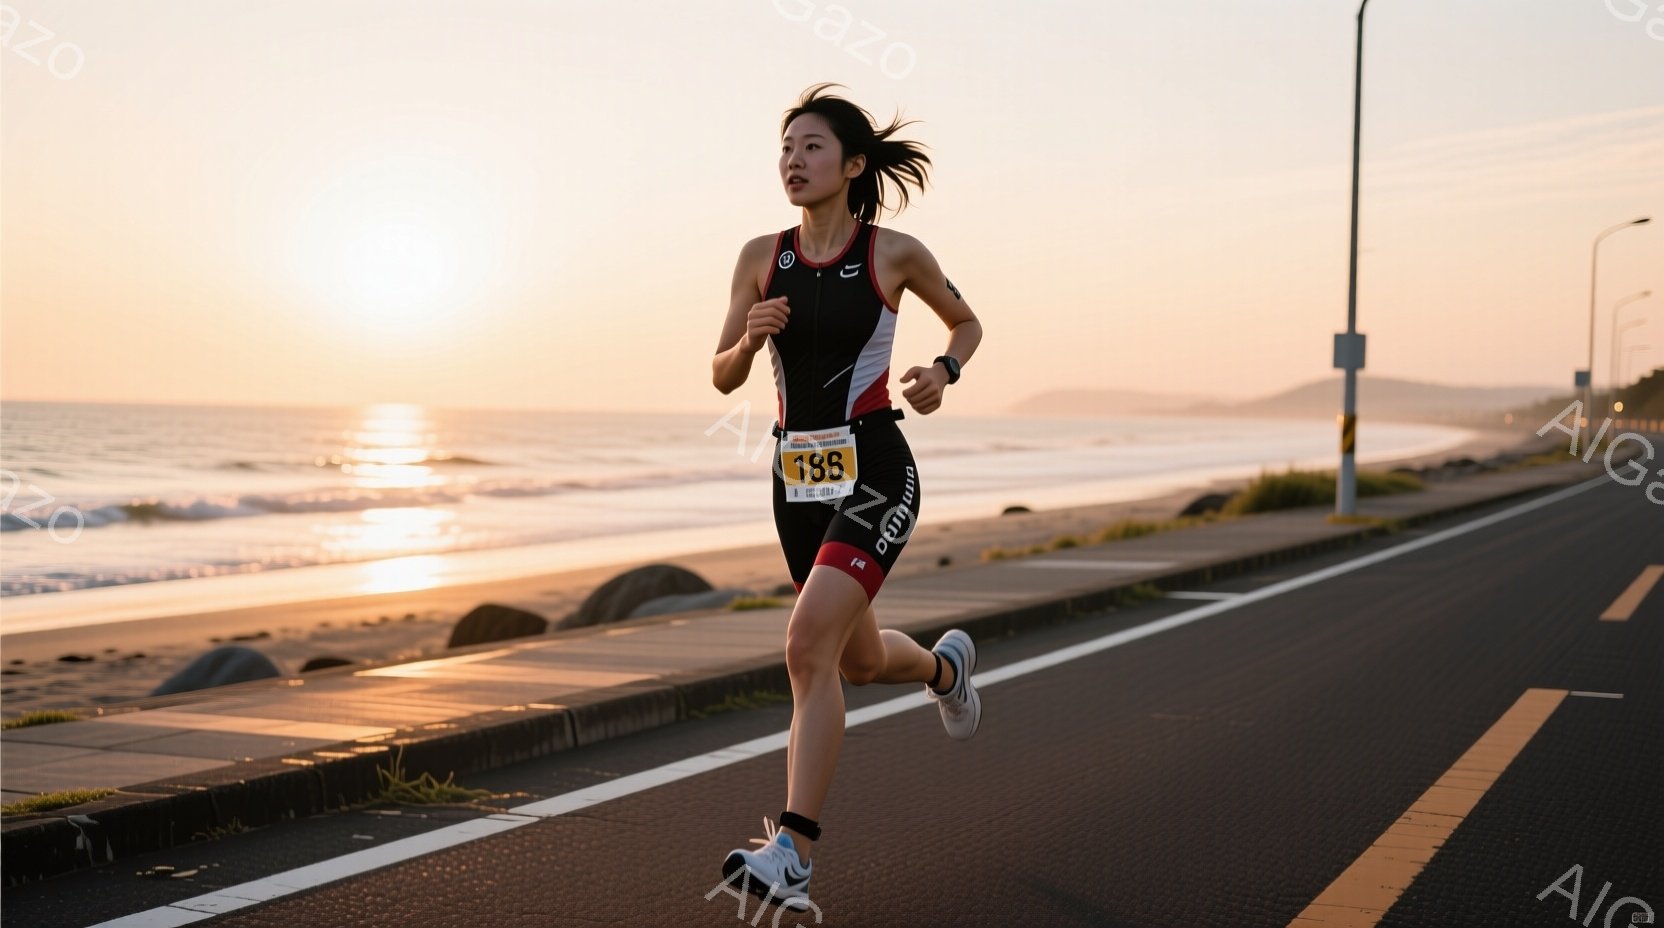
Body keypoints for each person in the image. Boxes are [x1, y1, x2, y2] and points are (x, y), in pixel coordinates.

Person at [709, 82, 985, 909]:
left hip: (874, 466)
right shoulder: (761, 255)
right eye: (785, 149)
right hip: (795, 478)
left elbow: (966, 324)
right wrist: (749, 336)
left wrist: (944, 371)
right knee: (855, 660)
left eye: (811, 147)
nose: (793, 161)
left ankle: (791, 852)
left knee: (804, 648)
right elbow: (721, 373)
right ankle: (944, 669)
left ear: (853, 164)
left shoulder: (894, 253)